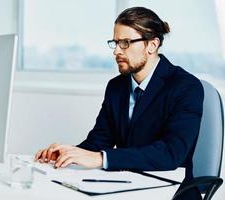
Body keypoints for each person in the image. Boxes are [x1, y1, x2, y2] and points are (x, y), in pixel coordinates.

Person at [35, 7, 204, 199]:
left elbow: (171, 153)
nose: (116, 51)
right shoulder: (116, 87)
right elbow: (99, 141)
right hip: (128, 186)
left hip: (171, 191)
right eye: (115, 43)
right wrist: (69, 155)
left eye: (125, 43)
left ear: (152, 45)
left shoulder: (186, 87)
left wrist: (102, 158)